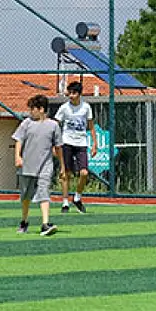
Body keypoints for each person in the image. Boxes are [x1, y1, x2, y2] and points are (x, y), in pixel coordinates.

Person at [14, 94, 62, 236]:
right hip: (27, 167)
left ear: (41, 109)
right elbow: (18, 140)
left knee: (44, 193)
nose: (30, 111)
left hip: (45, 166)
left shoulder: (53, 125)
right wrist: (18, 156)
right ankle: (24, 221)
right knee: (25, 197)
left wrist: (63, 166)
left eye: (33, 108)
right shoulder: (26, 123)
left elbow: (58, 147)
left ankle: (45, 224)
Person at [55, 81, 97, 214]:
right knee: (65, 173)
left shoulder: (86, 107)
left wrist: (94, 143)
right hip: (66, 142)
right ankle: (65, 202)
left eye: (74, 93)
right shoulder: (64, 108)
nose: (71, 96)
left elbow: (91, 126)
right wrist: (54, 143)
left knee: (84, 173)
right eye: (69, 93)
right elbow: (55, 125)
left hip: (81, 143)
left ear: (79, 94)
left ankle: (77, 197)